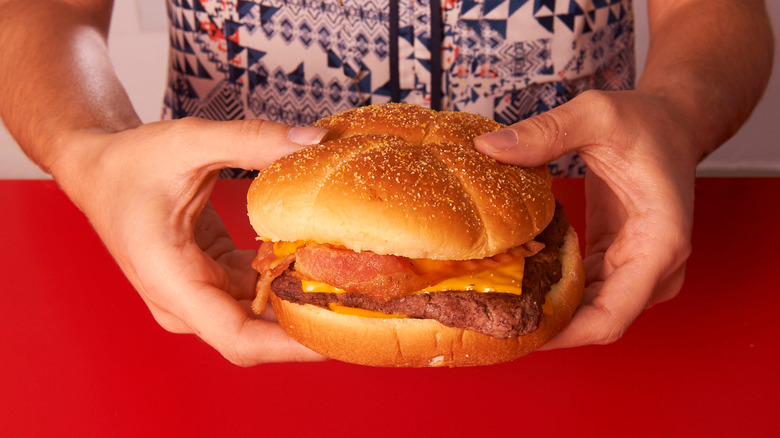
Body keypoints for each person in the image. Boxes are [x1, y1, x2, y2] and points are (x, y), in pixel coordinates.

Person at [0, 0, 773, 365]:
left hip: (602, 213)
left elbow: (717, 10)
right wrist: (90, 148)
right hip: (209, 239)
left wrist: (676, 112)